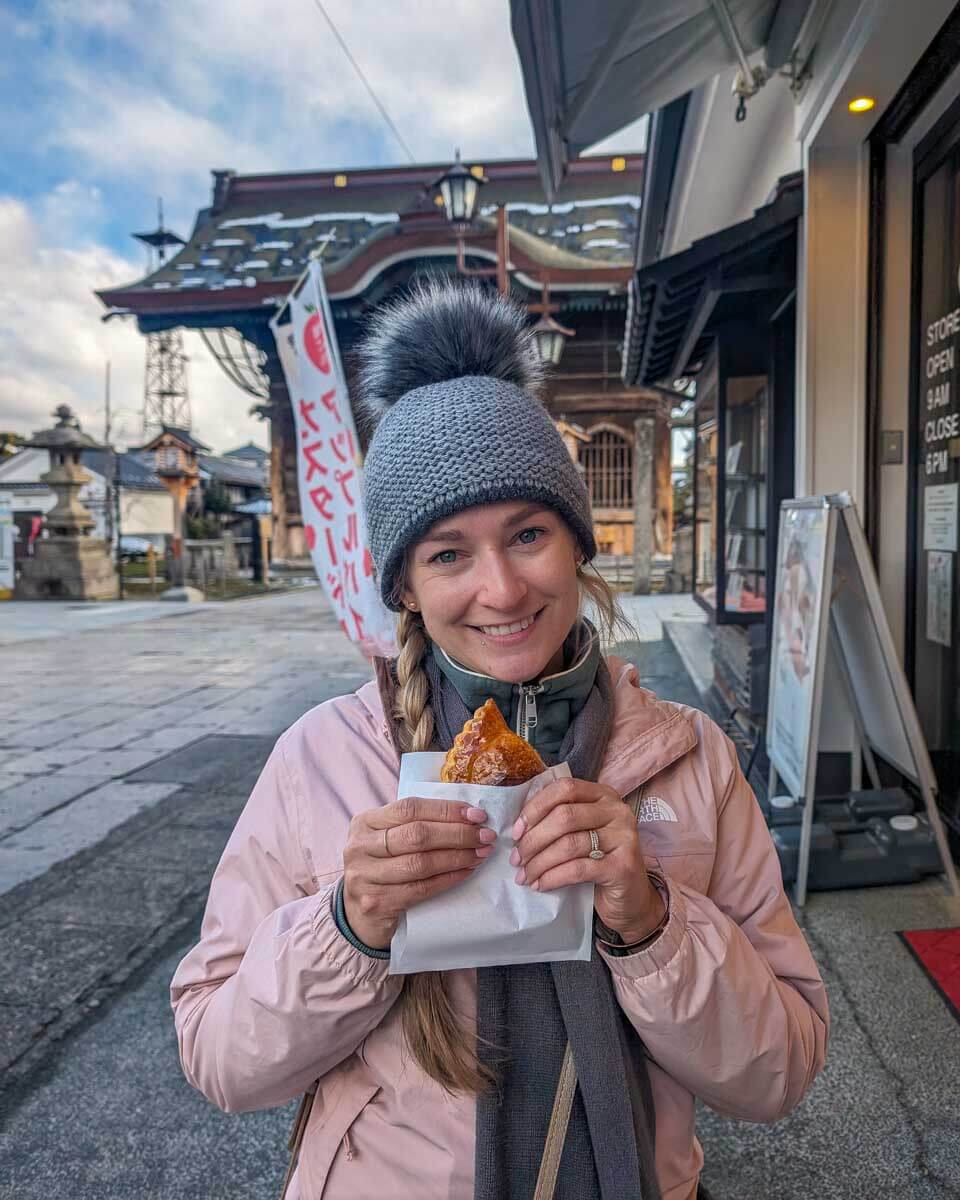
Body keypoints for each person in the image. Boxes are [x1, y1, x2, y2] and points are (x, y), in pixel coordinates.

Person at [171, 282, 828, 1200]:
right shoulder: (321, 761)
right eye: (448, 554)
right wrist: (348, 925)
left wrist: (649, 921)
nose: (504, 589)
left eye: (528, 535)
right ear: (404, 586)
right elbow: (221, 1059)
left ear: (577, 547)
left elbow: (781, 1071)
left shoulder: (688, 758)